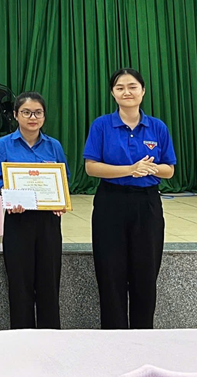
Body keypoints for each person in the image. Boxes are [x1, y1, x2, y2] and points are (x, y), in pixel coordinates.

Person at [84, 68, 176, 329]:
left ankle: (143, 335)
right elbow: (91, 167)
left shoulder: (157, 127)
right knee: (110, 273)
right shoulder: (101, 125)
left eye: (132, 86)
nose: (127, 92)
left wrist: (150, 169)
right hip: (110, 203)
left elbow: (169, 169)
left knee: (145, 273)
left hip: (147, 204)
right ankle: (113, 336)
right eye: (120, 87)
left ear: (143, 91)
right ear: (113, 93)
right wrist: (130, 169)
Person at [0, 92, 68, 329]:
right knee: (19, 284)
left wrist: (60, 199)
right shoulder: (3, 144)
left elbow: (64, 179)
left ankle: (50, 337)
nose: (32, 117)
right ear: (15, 115)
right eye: (26, 112)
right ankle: (22, 338)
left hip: (48, 222)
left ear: (44, 116)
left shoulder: (54, 146)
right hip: (18, 220)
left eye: (37, 113)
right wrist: (10, 195)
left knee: (49, 283)